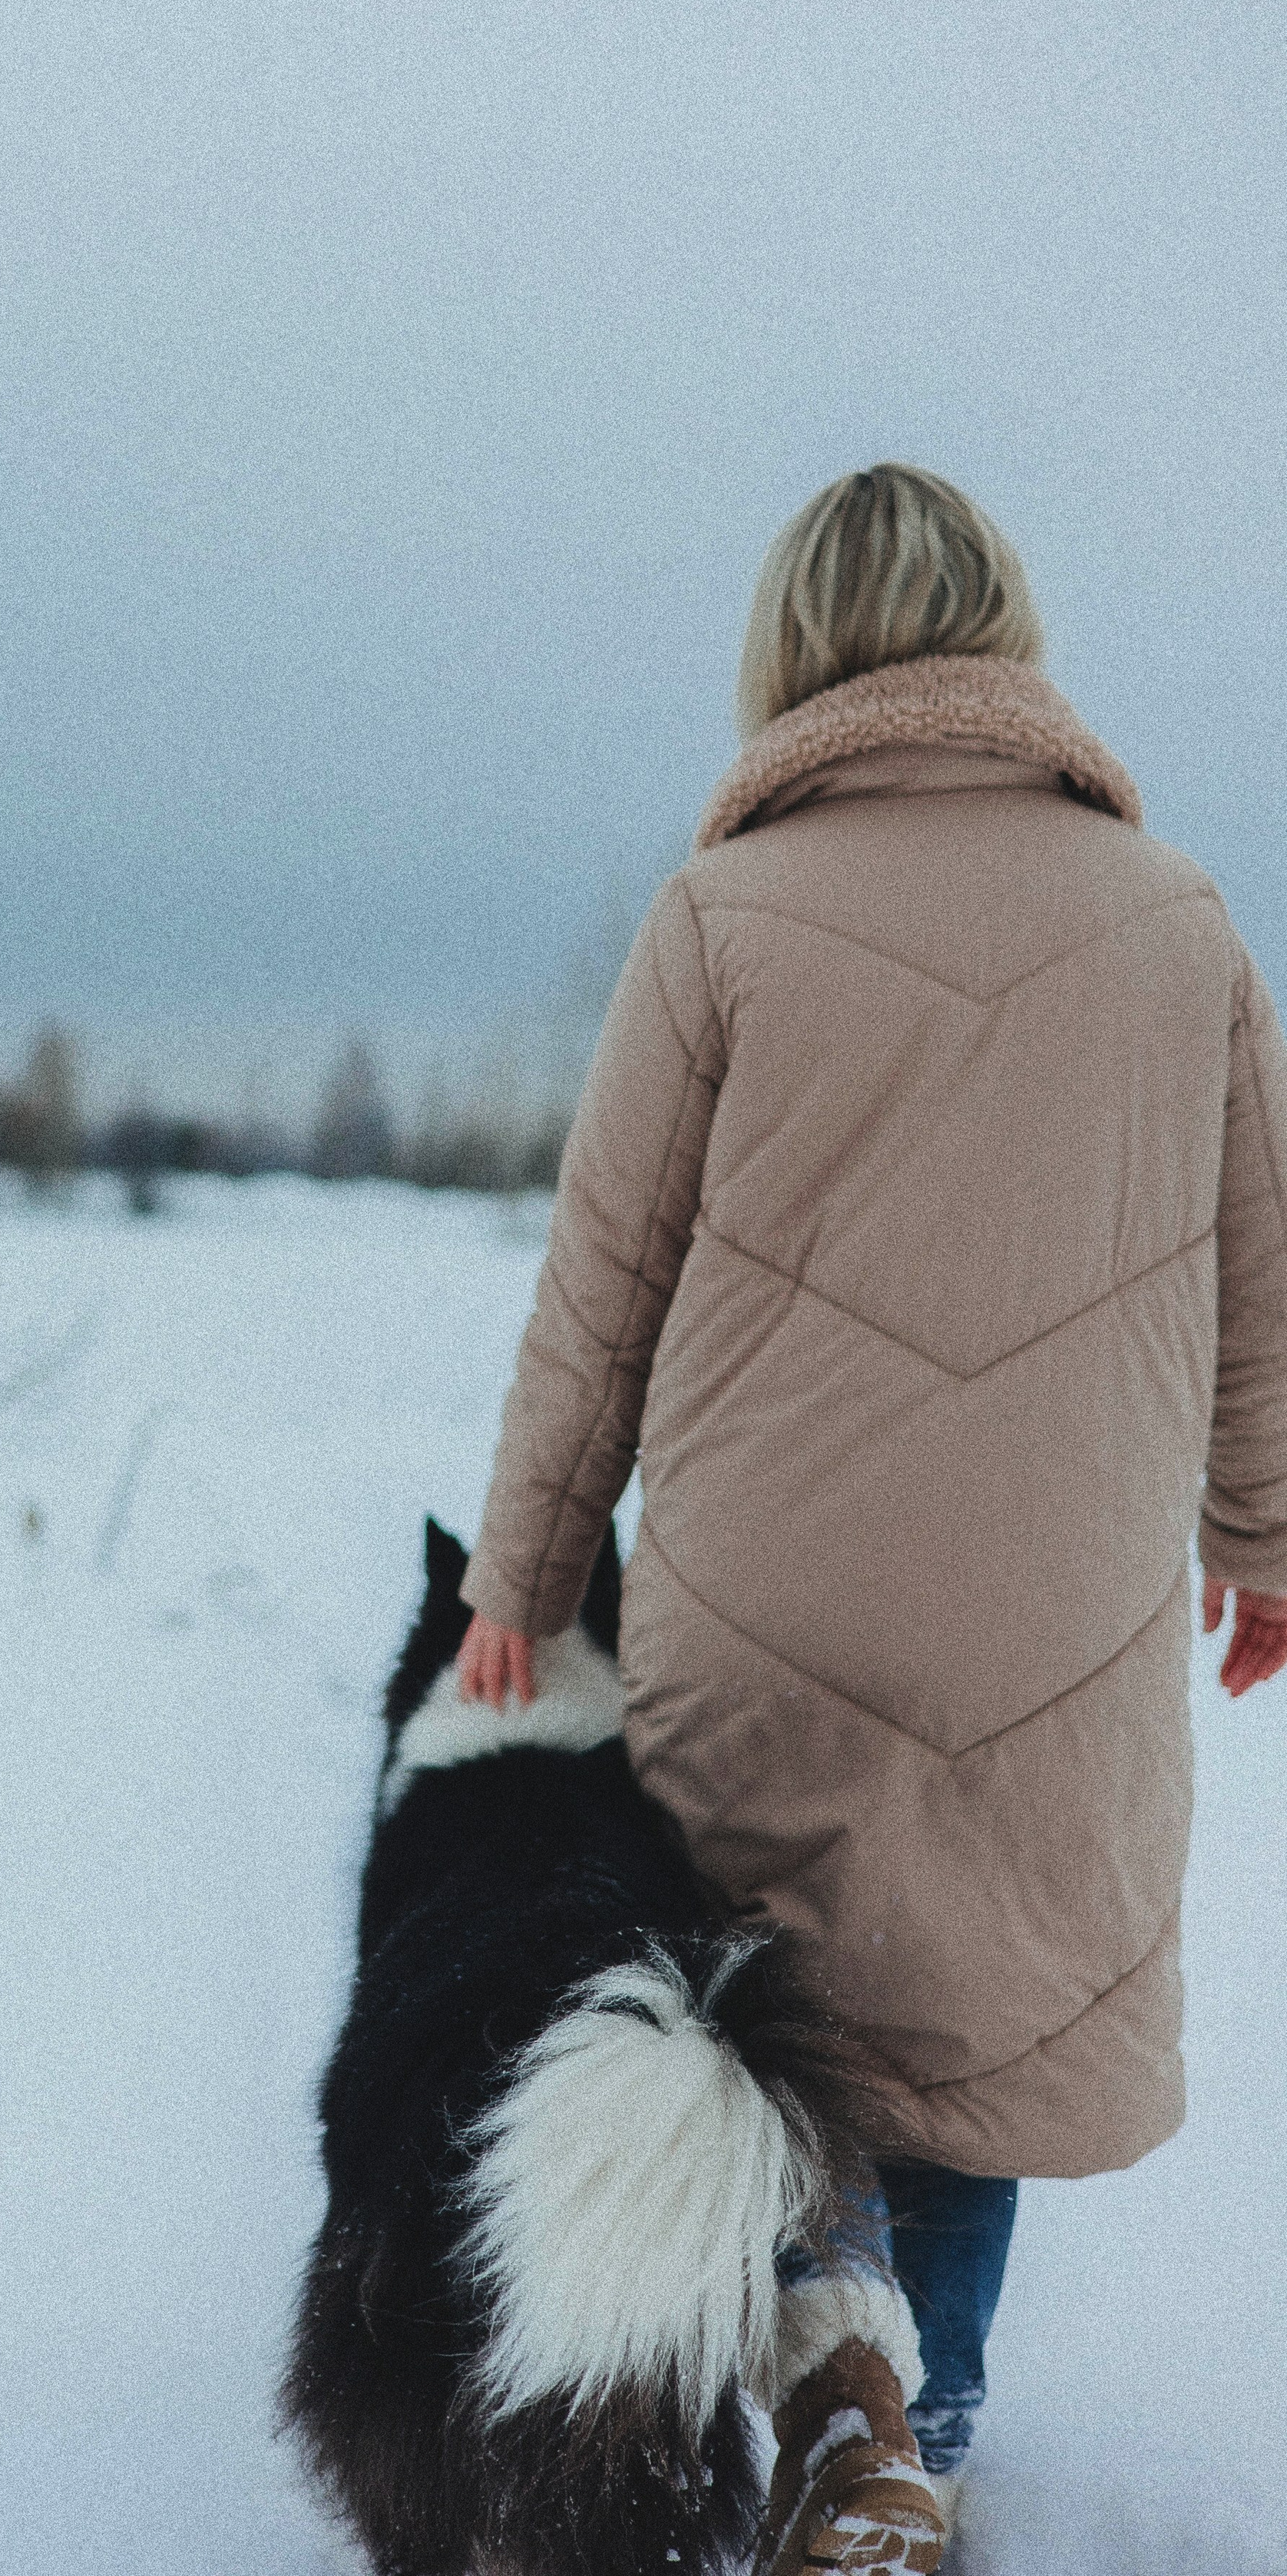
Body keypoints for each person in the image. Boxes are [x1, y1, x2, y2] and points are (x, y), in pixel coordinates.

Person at [453, 465, 1287, 2575]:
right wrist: (1265, 1542)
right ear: (1008, 635)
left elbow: (603, 1284)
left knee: (782, 1988)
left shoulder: (722, 916)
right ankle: (936, 2433)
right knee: (981, 2011)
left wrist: (524, 1575)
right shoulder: (1180, 920)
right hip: (1064, 1601)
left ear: (792, 649)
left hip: (769, 1578)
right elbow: (1263, 1272)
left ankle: (840, 2399)